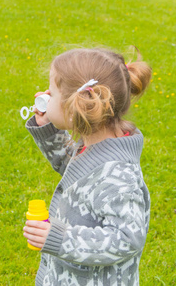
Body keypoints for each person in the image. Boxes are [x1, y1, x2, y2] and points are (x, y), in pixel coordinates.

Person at [23, 47, 152, 285]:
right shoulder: (95, 144)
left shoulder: (119, 176)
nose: (44, 96)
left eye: (51, 93)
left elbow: (127, 238)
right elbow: (77, 171)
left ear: (75, 108)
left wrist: (60, 239)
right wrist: (47, 129)